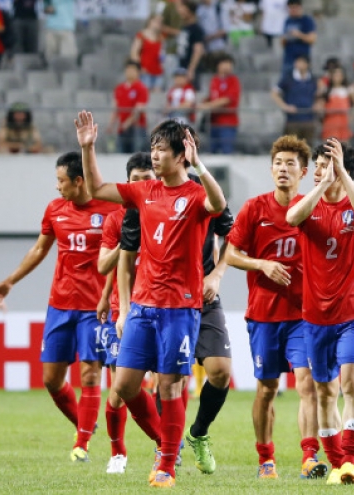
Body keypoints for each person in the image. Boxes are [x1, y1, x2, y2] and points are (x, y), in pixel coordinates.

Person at [77, 112, 226, 487]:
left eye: (160, 150)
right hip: (143, 307)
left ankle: (167, 466)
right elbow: (96, 188)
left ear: (181, 156)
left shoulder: (193, 195)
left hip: (181, 309)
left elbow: (218, 203)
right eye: (152, 149)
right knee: (125, 386)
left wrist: (201, 166)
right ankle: (166, 444)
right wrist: (88, 147)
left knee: (169, 386)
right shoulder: (144, 192)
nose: (153, 156)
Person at [0, 152, 119, 463]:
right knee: (51, 378)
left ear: (78, 181)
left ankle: (82, 444)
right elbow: (38, 249)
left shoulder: (111, 209)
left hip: (95, 307)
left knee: (90, 374)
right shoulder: (54, 209)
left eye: (61, 181)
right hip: (60, 304)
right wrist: (10, 281)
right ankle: (85, 424)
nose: (57, 187)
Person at [226, 135, 327, 479]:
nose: (283, 169)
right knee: (267, 388)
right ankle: (265, 458)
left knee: (307, 383)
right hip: (265, 315)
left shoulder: (312, 208)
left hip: (303, 315)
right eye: (278, 164)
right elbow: (230, 254)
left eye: (290, 164)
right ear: (271, 170)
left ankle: (309, 457)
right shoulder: (254, 208)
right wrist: (261, 265)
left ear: (303, 172)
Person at [285, 139, 354, 485]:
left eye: (324, 165)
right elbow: (293, 216)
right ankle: (337, 463)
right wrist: (324, 184)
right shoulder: (304, 205)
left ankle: (351, 460)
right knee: (325, 391)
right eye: (318, 165)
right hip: (315, 316)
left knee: (352, 383)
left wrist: (342, 177)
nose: (317, 170)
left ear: (342, 169)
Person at [96, 152, 156, 474]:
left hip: (162, 307)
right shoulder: (115, 219)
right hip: (126, 309)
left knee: (164, 384)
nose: (142, 185)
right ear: (127, 184)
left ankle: (167, 447)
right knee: (119, 389)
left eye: (148, 179)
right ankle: (118, 452)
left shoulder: (165, 213)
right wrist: (128, 240)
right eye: (136, 180)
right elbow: (105, 266)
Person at [197, 54, 240, 154]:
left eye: (229, 64)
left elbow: (227, 99)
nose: (227, 66)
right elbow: (213, 96)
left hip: (228, 122)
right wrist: (204, 102)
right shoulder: (214, 80)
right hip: (214, 121)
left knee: (227, 152)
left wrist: (208, 106)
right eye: (224, 63)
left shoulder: (234, 80)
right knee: (213, 152)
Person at [271, 54, 318, 145]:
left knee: (307, 149)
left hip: (309, 120)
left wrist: (318, 104)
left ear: (307, 64)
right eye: (297, 62)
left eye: (301, 62)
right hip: (293, 120)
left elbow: (320, 94)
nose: (298, 64)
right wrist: (285, 106)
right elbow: (274, 93)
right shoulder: (288, 78)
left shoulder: (313, 79)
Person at [110, 61, 149, 155]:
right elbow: (115, 108)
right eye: (128, 70)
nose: (129, 72)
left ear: (138, 72)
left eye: (132, 70)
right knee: (120, 153)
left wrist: (127, 123)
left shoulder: (141, 88)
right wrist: (111, 125)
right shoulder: (119, 88)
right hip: (122, 128)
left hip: (137, 127)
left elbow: (139, 109)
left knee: (136, 154)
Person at [316, 66, 354, 142]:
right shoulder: (326, 90)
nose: (337, 77)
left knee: (343, 147)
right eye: (335, 75)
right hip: (330, 122)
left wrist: (352, 117)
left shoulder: (348, 90)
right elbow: (319, 105)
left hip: (343, 123)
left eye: (339, 75)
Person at [130, 15, 166, 93]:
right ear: (150, 21)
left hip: (157, 71)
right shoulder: (141, 35)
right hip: (145, 70)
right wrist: (139, 67)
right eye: (157, 21)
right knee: (145, 93)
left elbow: (161, 54)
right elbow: (134, 53)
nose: (159, 24)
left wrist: (162, 63)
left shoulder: (160, 37)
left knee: (157, 94)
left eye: (160, 22)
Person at [281, 0, 317, 76]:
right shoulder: (287, 21)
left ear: (300, 7)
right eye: (291, 8)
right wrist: (286, 38)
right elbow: (282, 43)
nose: (292, 10)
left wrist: (299, 35)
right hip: (289, 57)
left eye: (295, 8)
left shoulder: (307, 20)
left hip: (302, 57)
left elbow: (312, 39)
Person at [176, 0, 205, 88]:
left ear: (189, 12)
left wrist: (191, 69)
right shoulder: (184, 27)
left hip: (190, 68)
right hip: (182, 66)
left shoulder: (196, 29)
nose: (181, 12)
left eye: (184, 10)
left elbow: (198, 50)